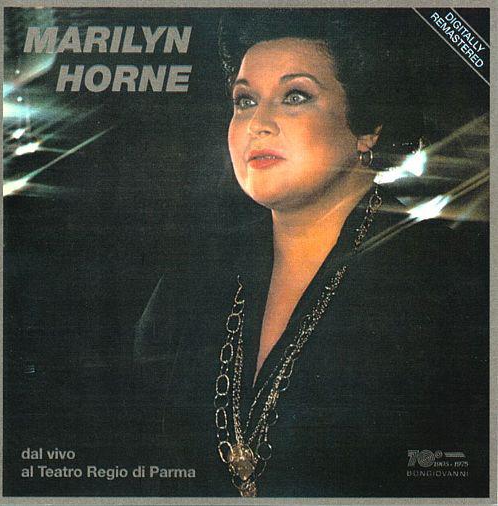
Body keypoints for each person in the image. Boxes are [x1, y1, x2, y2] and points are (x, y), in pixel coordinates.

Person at [132, 10, 488, 498]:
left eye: (295, 96)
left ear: (367, 127)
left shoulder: (450, 279)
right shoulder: (190, 280)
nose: (258, 124)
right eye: (245, 100)